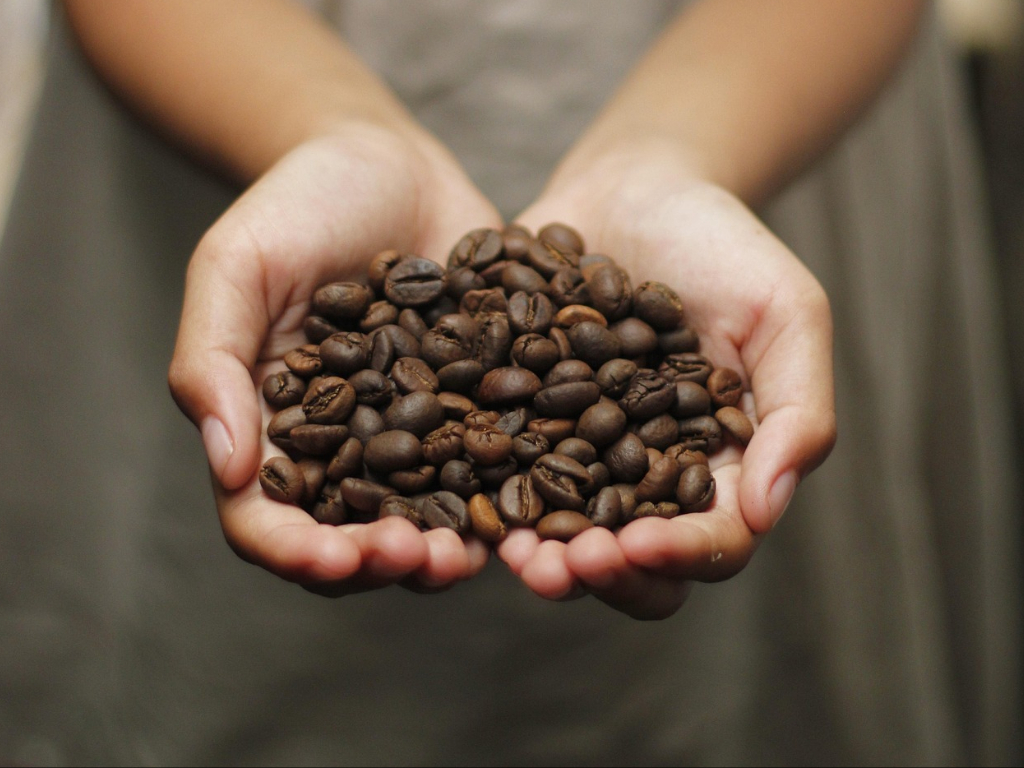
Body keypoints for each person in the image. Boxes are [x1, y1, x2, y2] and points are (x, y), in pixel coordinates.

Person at [0, 1, 1017, 764]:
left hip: (776, 100)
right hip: (217, 91)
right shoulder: (401, 368)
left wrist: (672, 152)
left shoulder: (609, 368)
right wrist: (330, 133)